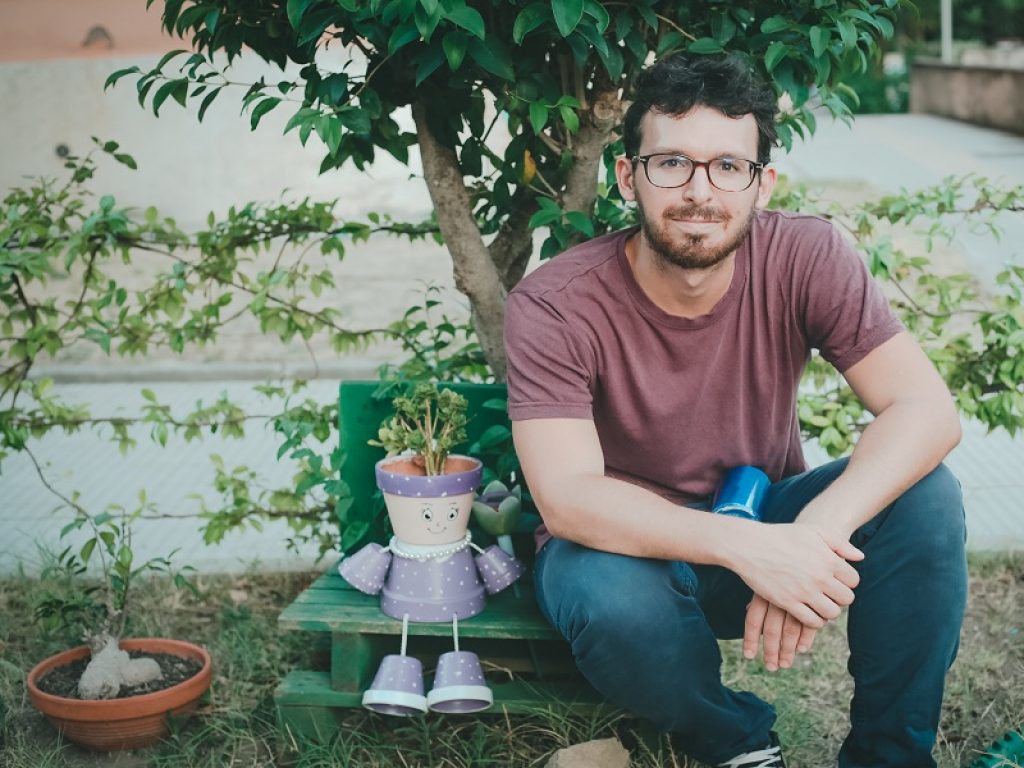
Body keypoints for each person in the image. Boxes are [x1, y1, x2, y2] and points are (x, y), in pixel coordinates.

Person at [504, 53, 967, 768]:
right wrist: (750, 550)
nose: (699, 191)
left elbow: (926, 410)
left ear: (761, 183)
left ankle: (891, 756)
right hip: (628, 562)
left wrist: (814, 531)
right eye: (672, 165)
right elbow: (567, 500)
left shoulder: (805, 255)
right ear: (629, 175)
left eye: (727, 166)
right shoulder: (555, 304)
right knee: (602, 590)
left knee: (927, 497)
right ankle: (735, 744)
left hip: (769, 523)